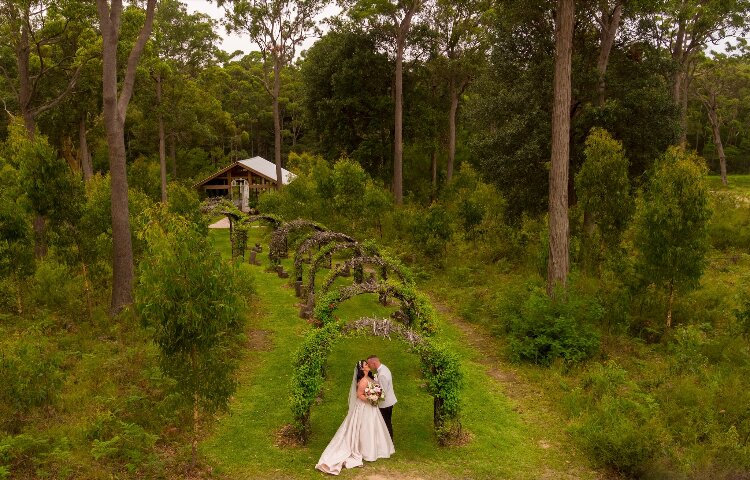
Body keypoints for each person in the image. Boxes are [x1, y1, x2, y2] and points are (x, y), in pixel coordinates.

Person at [315, 360, 395, 475]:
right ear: (362, 369)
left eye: (368, 364)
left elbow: (375, 390)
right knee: (364, 427)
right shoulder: (362, 381)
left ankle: (376, 449)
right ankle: (365, 450)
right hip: (364, 407)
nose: (368, 366)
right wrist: (370, 399)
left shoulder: (370, 378)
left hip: (372, 408)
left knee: (373, 427)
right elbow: (359, 395)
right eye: (366, 365)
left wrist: (376, 396)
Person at [367, 355, 396, 440]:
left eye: (369, 364)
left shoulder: (382, 374)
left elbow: (382, 393)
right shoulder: (384, 368)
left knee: (386, 423)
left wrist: (370, 395)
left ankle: (389, 441)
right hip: (389, 401)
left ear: (374, 363)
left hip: (385, 404)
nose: (369, 366)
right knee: (387, 422)